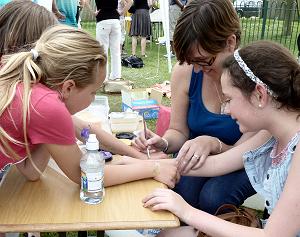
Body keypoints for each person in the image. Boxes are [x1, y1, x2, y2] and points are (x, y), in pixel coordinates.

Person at [143, 40, 300, 237]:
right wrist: (144, 165)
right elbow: (217, 164)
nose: (226, 109)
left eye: (229, 99)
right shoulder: (272, 134)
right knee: (166, 235)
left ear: (259, 95)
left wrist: (186, 211)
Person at [0, 24, 178, 194]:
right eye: (93, 92)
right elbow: (84, 175)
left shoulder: (30, 88)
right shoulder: (46, 106)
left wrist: (139, 157)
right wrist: (153, 168)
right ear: (68, 87)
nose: (93, 98)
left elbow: (32, 171)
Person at [133, 0, 256, 215]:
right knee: (184, 191)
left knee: (213, 197)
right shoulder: (187, 71)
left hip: (245, 159)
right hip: (201, 158)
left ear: (230, 42)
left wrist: (212, 143)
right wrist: (162, 142)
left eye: (205, 60)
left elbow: (250, 151)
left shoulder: (254, 78)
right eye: (191, 61)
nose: (198, 68)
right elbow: (178, 131)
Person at [94, 0, 131, 80]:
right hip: (115, 21)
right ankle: (116, 76)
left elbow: (85, 2)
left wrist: (93, 13)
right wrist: (121, 13)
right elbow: (130, 1)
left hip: (102, 20)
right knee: (116, 51)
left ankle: (103, 77)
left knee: (103, 52)